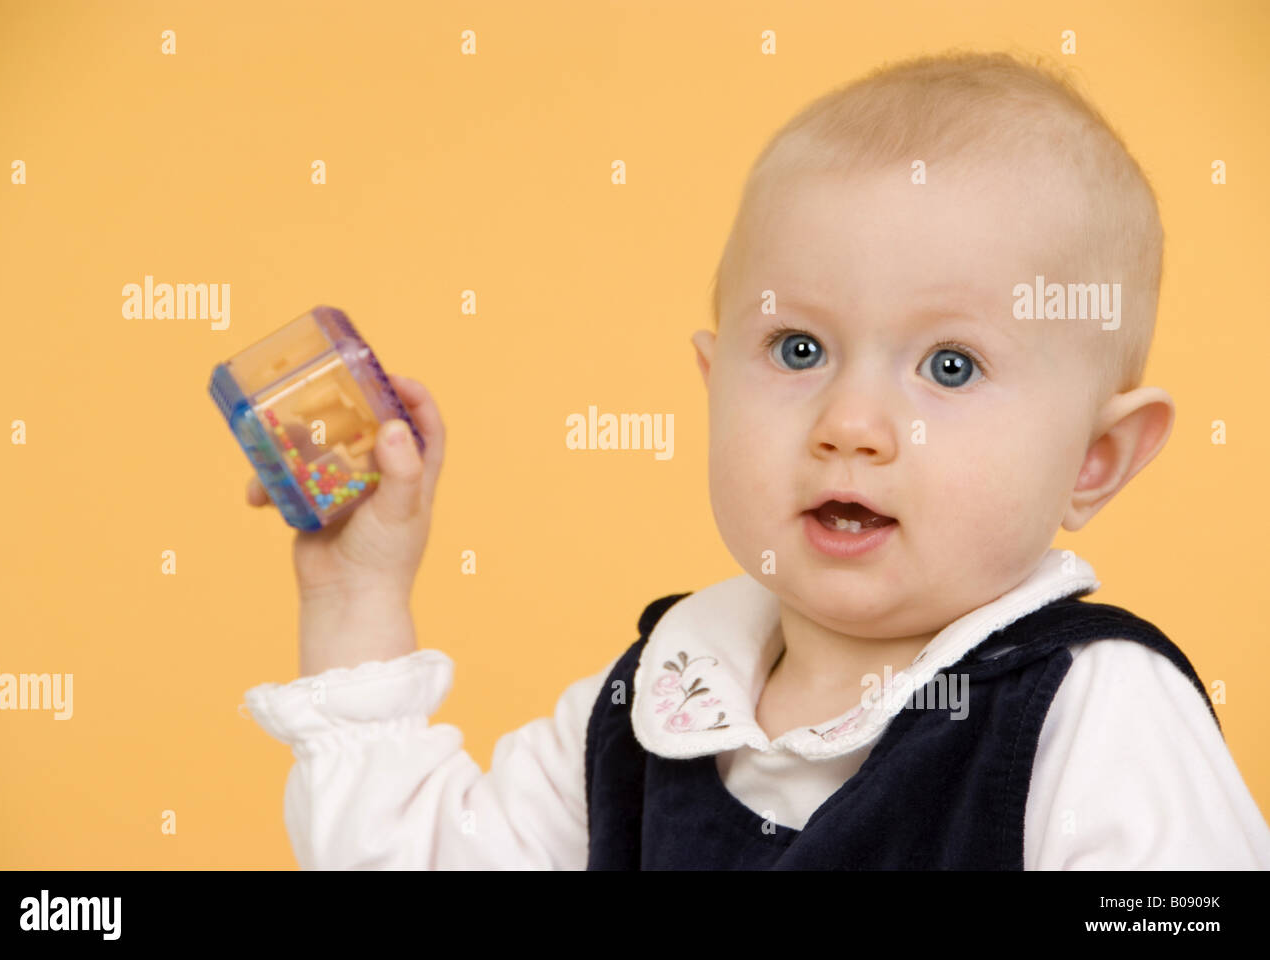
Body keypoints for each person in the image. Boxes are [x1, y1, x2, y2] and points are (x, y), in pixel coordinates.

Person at [241, 50, 1270, 869]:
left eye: (949, 366)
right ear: (710, 380)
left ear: (1094, 459)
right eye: (797, 350)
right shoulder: (648, 710)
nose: (851, 422)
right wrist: (355, 598)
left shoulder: (1094, 716)